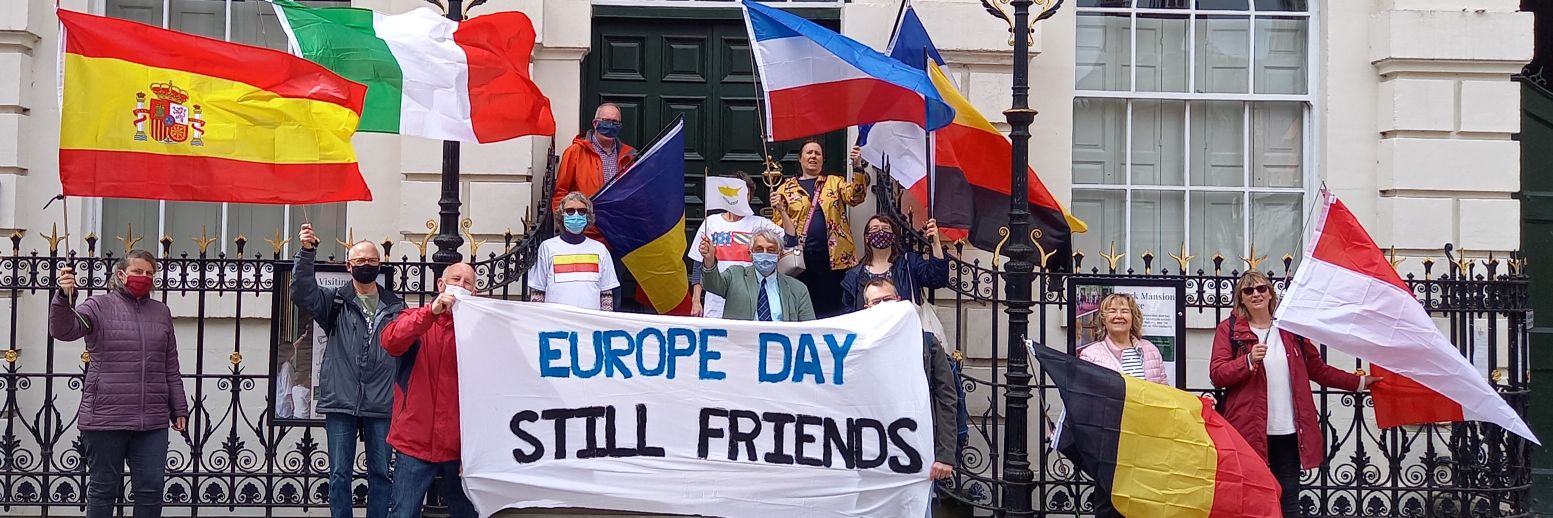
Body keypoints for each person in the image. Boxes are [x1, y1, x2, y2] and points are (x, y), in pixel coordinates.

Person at [1210, 272, 1381, 518]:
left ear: (1270, 293)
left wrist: (1359, 382)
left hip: (1288, 430)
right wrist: (1246, 361)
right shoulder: (1229, 330)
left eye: (1261, 288)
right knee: (1252, 496)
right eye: (1249, 291)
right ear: (1241, 299)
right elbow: (1217, 373)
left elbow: (1318, 369)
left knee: (1289, 496)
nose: (1256, 294)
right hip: (1248, 430)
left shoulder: (1290, 330)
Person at [49, 250, 188, 518]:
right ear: (121, 274)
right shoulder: (98, 306)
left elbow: (170, 364)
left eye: (150, 273)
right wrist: (63, 297)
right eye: (138, 272)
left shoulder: (161, 312)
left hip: (152, 420)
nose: (144, 277)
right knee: (103, 489)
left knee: (151, 489)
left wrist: (178, 407)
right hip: (105, 417)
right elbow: (64, 330)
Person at [293, 224, 402, 518]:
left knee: (381, 473)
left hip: (381, 403)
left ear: (380, 265)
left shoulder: (396, 305)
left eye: (372, 261)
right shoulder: (335, 300)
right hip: (341, 400)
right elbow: (302, 292)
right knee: (340, 474)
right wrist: (306, 253)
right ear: (349, 265)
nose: (366, 266)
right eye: (360, 261)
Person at [379, 263, 479, 518]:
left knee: (466, 513)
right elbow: (390, 341)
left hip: (461, 446)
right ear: (441, 285)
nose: (461, 285)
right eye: (456, 279)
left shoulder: (480, 329)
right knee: (404, 513)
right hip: (416, 439)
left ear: (475, 292)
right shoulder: (416, 317)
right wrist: (430, 313)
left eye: (468, 282)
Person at [859, 278, 955, 486]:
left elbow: (947, 398)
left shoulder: (927, 343)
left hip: (918, 448)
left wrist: (945, 455)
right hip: (870, 450)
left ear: (900, 300)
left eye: (888, 299)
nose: (884, 305)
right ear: (867, 308)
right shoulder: (857, 346)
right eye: (877, 302)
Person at [770, 140, 869, 318]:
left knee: (833, 310)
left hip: (834, 261)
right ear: (800, 159)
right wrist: (778, 207)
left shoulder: (834, 182)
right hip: (799, 262)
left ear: (823, 159)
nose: (813, 156)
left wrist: (858, 168)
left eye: (817, 153)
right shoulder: (786, 189)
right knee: (803, 309)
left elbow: (855, 197)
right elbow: (778, 227)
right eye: (809, 153)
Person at [688, 171, 785, 318]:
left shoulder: (759, 223)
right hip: (715, 303)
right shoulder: (711, 222)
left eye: (744, 193)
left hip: (749, 300)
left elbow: (791, 240)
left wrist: (782, 211)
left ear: (750, 196)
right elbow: (698, 264)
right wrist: (696, 300)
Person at [529, 192, 619, 311]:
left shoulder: (600, 249)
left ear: (588, 216)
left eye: (581, 211)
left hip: (589, 325)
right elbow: (538, 290)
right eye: (570, 211)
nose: (576, 215)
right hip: (556, 324)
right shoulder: (547, 247)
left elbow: (606, 293)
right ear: (562, 215)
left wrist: (605, 321)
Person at [698, 229, 814, 322]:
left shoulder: (798, 289)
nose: (764, 253)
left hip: (780, 349)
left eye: (771, 250)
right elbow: (710, 284)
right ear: (750, 254)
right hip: (743, 347)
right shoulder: (735, 276)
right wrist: (709, 260)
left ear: (779, 255)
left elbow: (810, 330)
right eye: (759, 249)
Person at [840, 215, 949, 312]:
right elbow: (849, 315)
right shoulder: (854, 276)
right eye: (875, 228)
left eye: (886, 228)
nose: (881, 232)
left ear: (893, 237)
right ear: (867, 238)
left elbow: (937, 279)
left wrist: (935, 243)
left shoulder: (909, 264)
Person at [552, 103, 635, 213]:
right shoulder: (574, 152)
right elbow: (561, 193)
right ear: (595, 123)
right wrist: (566, 221)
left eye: (615, 122)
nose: (611, 125)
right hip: (586, 226)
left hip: (619, 224)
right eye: (606, 120)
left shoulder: (629, 156)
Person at [1077, 293, 1168, 385]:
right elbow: (1085, 395)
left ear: (1133, 318)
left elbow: (1165, 393)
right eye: (1112, 311)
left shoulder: (1151, 351)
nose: (1119, 316)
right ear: (1104, 320)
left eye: (1124, 311)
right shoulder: (1090, 356)